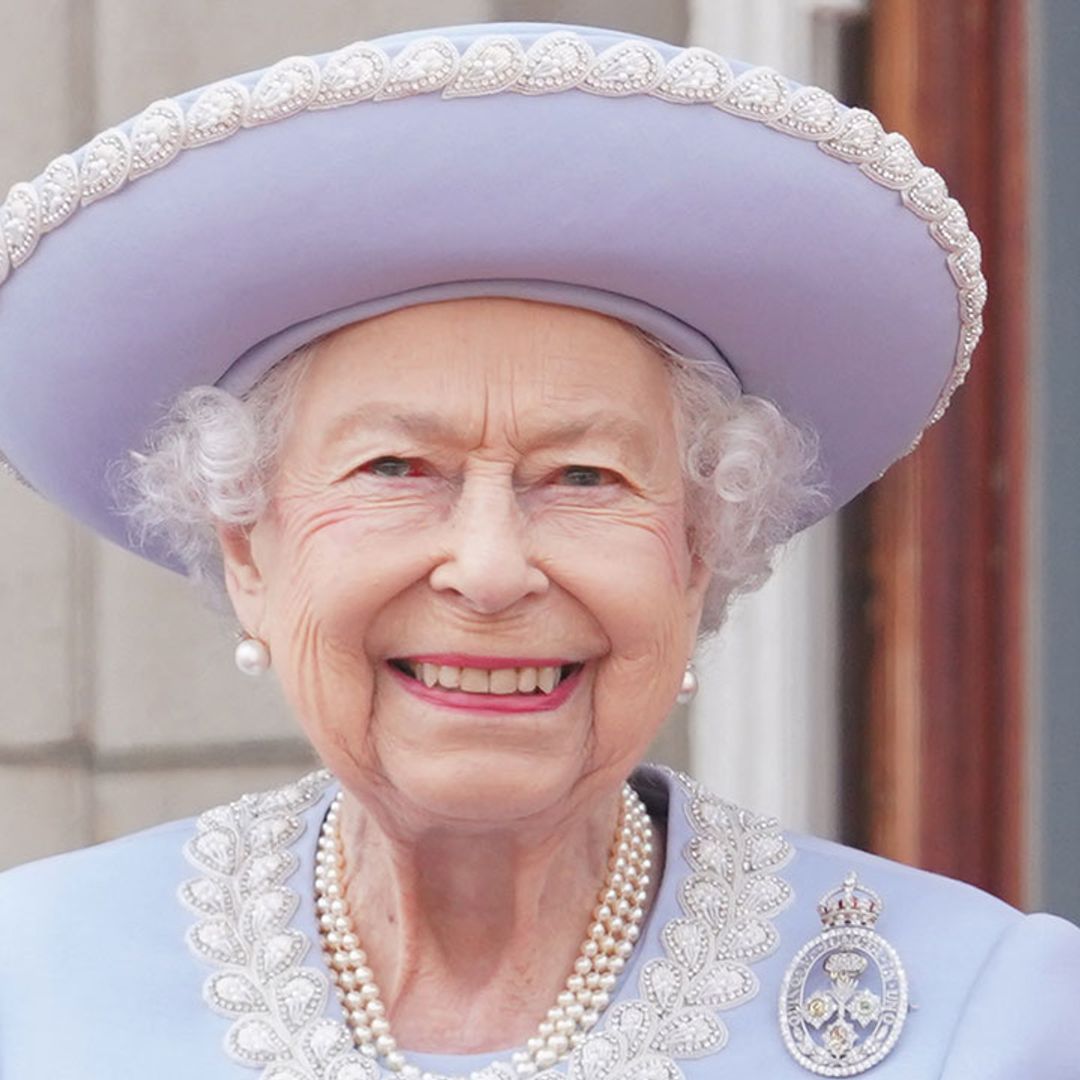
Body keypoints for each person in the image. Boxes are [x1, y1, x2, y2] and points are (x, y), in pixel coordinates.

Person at [0, 20, 1076, 1080]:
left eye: (583, 478)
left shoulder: (977, 1019)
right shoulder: (32, 989)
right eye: (395, 469)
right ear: (248, 553)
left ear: (698, 550)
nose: (490, 568)